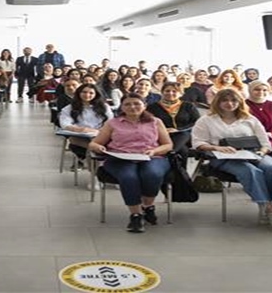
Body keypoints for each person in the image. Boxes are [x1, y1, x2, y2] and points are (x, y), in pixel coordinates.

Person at [191, 89, 272, 233]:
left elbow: (265, 143)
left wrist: (261, 153)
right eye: (225, 100)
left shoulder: (250, 119)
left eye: (233, 100)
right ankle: (270, 208)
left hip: (252, 153)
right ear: (217, 102)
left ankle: (266, 203)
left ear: (240, 102)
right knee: (251, 171)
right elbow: (198, 143)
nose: (229, 104)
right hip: (222, 157)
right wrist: (216, 147)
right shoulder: (206, 120)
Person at [88, 94, 173, 233]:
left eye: (136, 103)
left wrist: (155, 151)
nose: (132, 107)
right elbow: (94, 143)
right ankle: (136, 215)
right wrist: (98, 147)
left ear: (144, 105)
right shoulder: (112, 123)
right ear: (121, 107)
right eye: (127, 104)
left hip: (151, 157)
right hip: (120, 158)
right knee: (129, 177)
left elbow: (168, 145)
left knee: (152, 174)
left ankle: (148, 206)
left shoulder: (155, 121)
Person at [59, 84, 113, 166]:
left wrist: (100, 131)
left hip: (100, 135)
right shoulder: (69, 108)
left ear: (96, 95)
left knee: (96, 144)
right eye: (84, 92)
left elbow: (110, 121)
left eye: (91, 93)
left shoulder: (104, 107)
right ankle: (96, 161)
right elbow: (65, 123)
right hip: (80, 136)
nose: (87, 95)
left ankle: (92, 161)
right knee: (75, 140)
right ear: (79, 93)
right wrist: (80, 129)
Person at [147, 82, 200, 162]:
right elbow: (148, 123)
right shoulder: (152, 107)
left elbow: (197, 122)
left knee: (184, 134)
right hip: (161, 136)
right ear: (162, 92)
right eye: (167, 91)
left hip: (184, 136)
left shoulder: (188, 106)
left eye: (174, 91)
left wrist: (178, 129)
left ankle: (172, 151)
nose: (170, 93)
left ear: (181, 93)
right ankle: (179, 170)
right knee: (183, 151)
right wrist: (163, 130)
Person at [245, 81, 272, 157]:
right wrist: (260, 134)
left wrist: (271, 133)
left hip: (271, 138)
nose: (261, 92)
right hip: (249, 139)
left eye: (264, 90)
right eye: (257, 89)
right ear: (250, 90)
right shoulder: (243, 105)